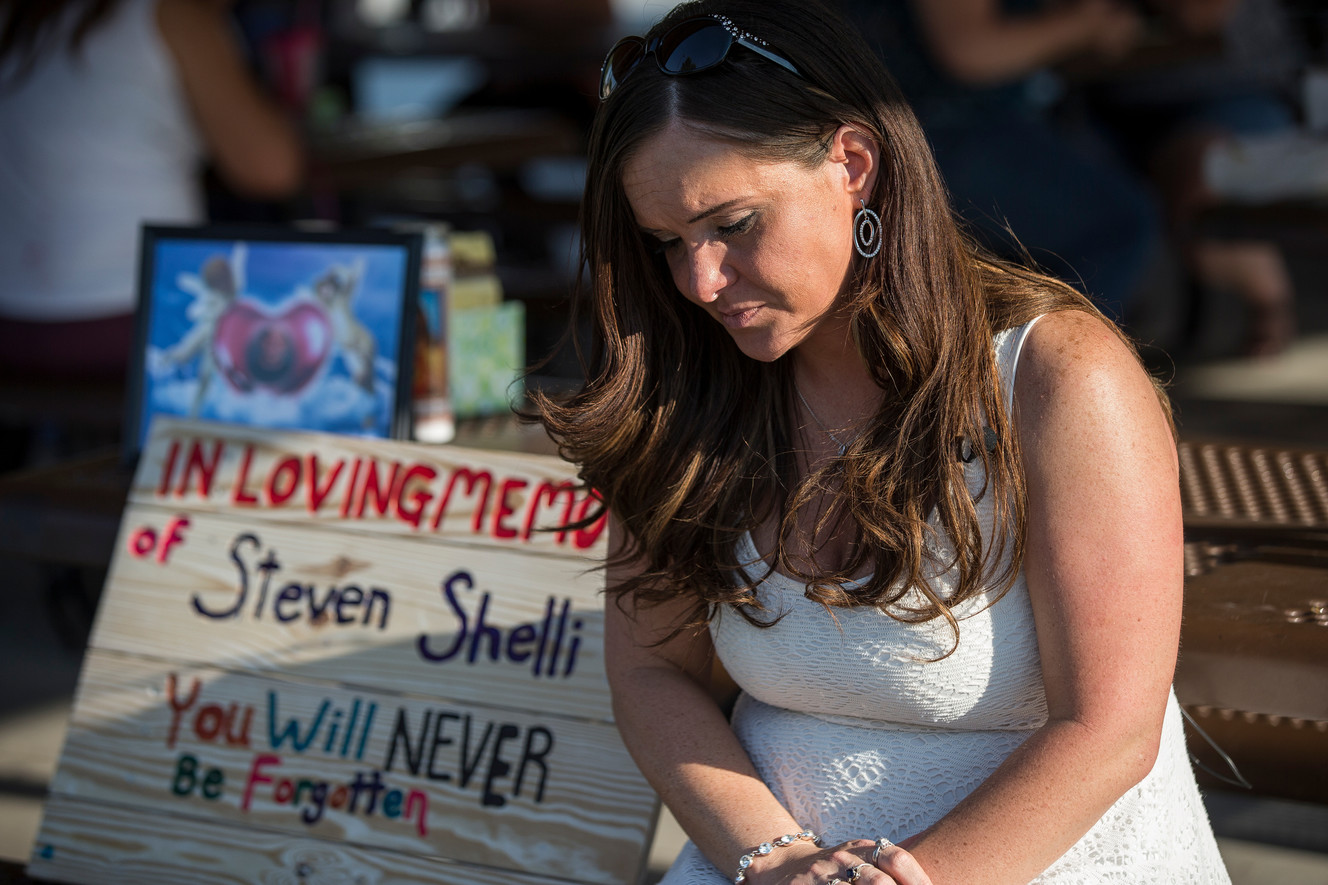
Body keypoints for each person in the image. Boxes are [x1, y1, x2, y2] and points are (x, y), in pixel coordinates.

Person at [532, 1, 1230, 882]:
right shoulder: (691, 381)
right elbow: (651, 674)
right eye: (667, 242)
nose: (699, 281)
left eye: (734, 223)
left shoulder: (1056, 374)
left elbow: (1110, 730)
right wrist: (773, 857)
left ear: (853, 164)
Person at [0, 0, 303, 380]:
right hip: (131, 322)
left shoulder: (16, 17)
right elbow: (272, 169)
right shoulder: (170, 14)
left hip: (11, 320)